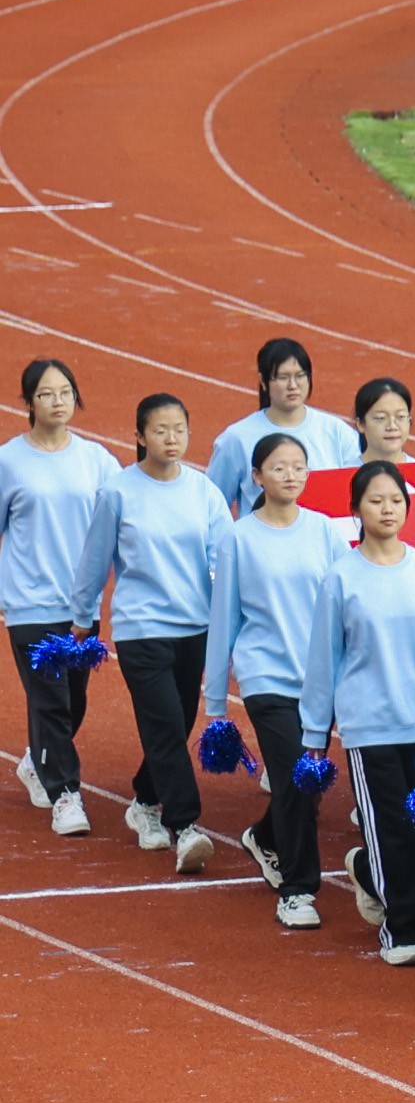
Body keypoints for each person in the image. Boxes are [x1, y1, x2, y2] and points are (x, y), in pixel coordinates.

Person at [69, 393, 229, 873]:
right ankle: (186, 826)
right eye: (160, 430)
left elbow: (225, 557)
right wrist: (83, 616)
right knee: (163, 724)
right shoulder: (118, 492)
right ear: (140, 436)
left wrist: (231, 617)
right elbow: (95, 558)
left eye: (179, 429)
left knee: (178, 724)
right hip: (142, 629)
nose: (171, 438)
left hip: (194, 625)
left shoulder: (204, 492)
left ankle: (143, 802)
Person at [304, 460, 415, 966]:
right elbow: (324, 658)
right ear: (356, 510)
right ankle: (402, 930)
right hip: (368, 726)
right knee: (393, 829)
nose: (388, 509)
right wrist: (315, 732)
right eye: (376, 500)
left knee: (413, 829)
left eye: (396, 500)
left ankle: (370, 872)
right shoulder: (341, 578)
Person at [200, 429, 336, 927]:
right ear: (257, 476)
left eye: (299, 467)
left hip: (317, 681)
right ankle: (298, 891)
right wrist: (217, 702)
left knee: (308, 786)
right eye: (279, 468)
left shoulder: (325, 532)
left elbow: (345, 606)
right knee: (296, 778)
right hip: (266, 678)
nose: (290, 476)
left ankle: (264, 836)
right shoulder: (239, 537)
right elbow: (225, 618)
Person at [3, 358, 110, 838]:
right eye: (46, 394)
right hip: (29, 603)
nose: (58, 401)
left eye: (65, 392)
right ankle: (66, 795)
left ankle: (37, 759)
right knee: (50, 701)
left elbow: (118, 520)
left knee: (73, 701)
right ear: (29, 402)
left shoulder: (96, 460)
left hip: (81, 605)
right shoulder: (9, 462)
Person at [211, 338, 359, 516]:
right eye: (283, 377)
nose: (293, 385)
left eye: (300, 376)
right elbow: (212, 505)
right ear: (263, 381)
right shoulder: (237, 438)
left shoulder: (337, 432)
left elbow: (359, 491)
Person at [351, 378, 415, 469]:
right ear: (360, 424)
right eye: (381, 418)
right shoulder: (343, 475)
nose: (392, 426)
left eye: (400, 416)